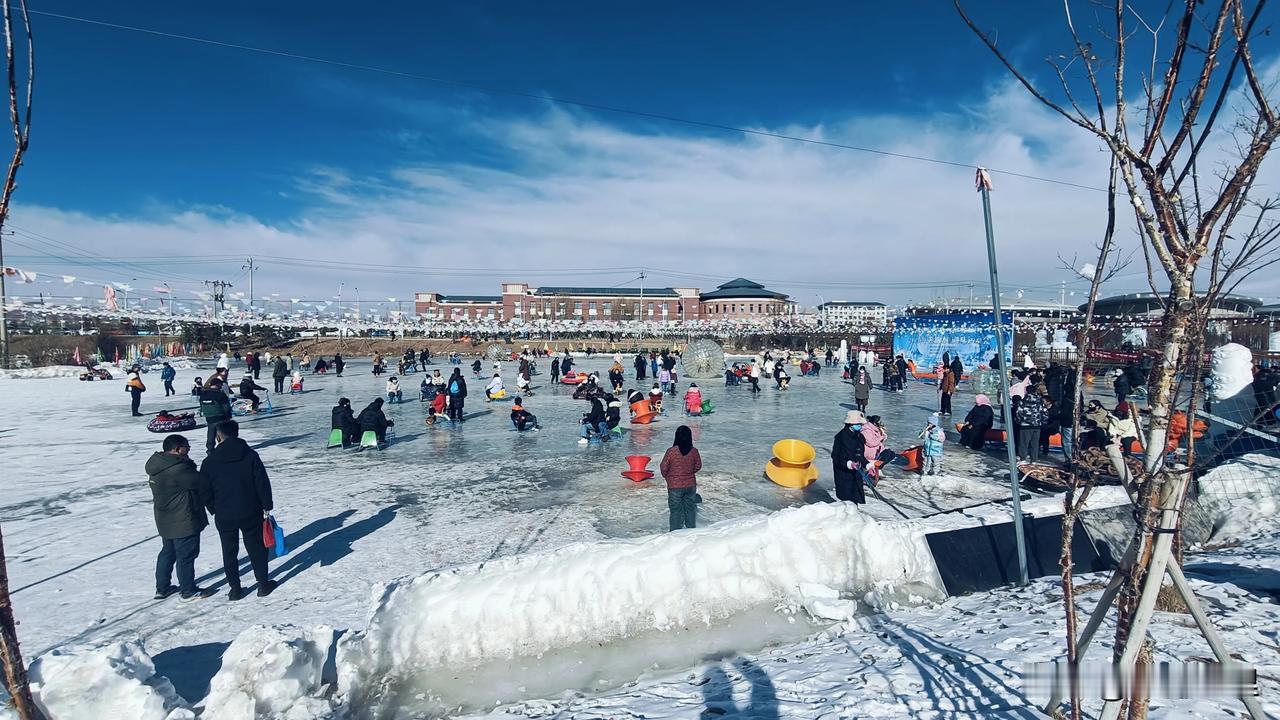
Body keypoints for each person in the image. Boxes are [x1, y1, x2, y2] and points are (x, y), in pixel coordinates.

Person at [201, 421, 275, 600]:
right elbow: (262, 482)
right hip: (250, 510)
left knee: (229, 550)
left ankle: (235, 588)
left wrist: (213, 508)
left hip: (224, 513)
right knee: (256, 547)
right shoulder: (250, 455)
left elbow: (204, 489)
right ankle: (263, 584)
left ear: (219, 436)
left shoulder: (210, 461)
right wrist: (267, 505)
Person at [148, 434, 215, 601]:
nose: (189, 449)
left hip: (165, 519)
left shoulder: (159, 465)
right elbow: (201, 482)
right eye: (187, 446)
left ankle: (162, 588)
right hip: (183, 519)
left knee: (168, 552)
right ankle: (188, 591)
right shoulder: (178, 469)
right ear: (177, 449)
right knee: (186, 555)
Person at [660, 426, 701, 531]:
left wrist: (669, 477)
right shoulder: (694, 451)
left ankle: (675, 533)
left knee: (675, 511)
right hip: (690, 485)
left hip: (674, 486)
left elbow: (664, 467)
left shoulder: (671, 451)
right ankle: (691, 531)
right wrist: (688, 473)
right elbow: (698, 466)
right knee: (690, 509)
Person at [831, 410, 868, 504]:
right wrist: (849, 464)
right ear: (851, 423)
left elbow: (860, 455)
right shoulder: (840, 437)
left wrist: (868, 465)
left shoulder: (860, 436)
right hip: (844, 475)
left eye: (861, 424)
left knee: (856, 500)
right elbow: (835, 457)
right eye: (858, 424)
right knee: (847, 502)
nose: (861, 426)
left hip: (857, 474)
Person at [1014, 386, 1050, 463]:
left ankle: (1022, 458)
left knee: (1024, 443)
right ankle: (1034, 460)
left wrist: (1020, 422)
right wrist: (1042, 422)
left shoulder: (1023, 401)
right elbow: (1045, 413)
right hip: (1037, 425)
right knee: (1035, 444)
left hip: (1025, 425)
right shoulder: (1040, 401)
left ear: (1027, 391)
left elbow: (1018, 413)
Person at [198, 378, 233, 453]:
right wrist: (228, 417)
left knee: (211, 433)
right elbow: (226, 407)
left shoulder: (203, 394)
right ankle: (225, 449)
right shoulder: (220, 394)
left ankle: (210, 450)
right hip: (220, 416)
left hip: (209, 417)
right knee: (223, 434)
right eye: (220, 384)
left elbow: (201, 405)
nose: (221, 386)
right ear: (217, 384)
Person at [861, 415, 888, 483]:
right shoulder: (866, 430)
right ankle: (873, 468)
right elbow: (871, 443)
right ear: (874, 423)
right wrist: (881, 437)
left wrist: (882, 433)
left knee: (890, 454)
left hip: (876, 448)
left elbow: (879, 440)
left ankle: (878, 468)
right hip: (868, 450)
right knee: (886, 454)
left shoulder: (875, 428)